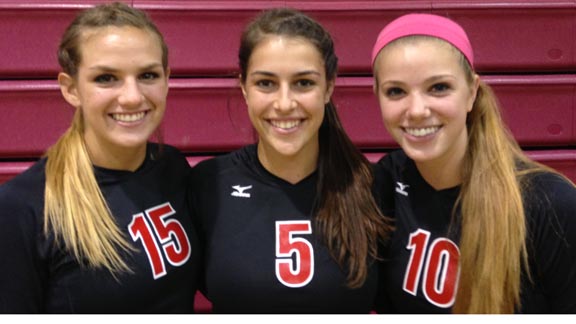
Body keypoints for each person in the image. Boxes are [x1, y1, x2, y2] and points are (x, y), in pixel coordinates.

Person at [189, 7, 393, 313]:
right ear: (244, 87)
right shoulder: (209, 184)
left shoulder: (371, 187)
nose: (284, 103)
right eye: (266, 83)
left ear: (329, 87)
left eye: (304, 83)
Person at [0, 2, 200, 313]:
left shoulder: (171, 166)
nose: (132, 96)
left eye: (148, 75)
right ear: (71, 89)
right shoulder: (22, 207)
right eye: (106, 78)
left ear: (167, 79)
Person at [370, 13, 576, 313]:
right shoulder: (384, 184)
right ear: (377, 97)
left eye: (439, 87)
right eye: (396, 91)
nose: (416, 110)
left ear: (472, 92)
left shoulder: (550, 203)